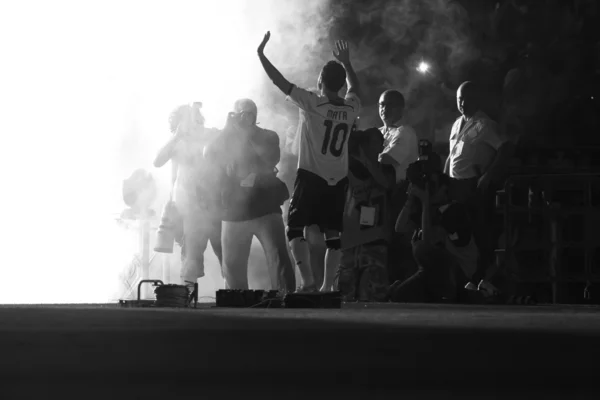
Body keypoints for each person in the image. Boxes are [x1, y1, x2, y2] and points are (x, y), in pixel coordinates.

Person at [257, 31, 362, 292]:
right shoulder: (351, 108)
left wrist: (261, 55)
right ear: (340, 85)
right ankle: (328, 288)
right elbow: (356, 88)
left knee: (294, 228)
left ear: (320, 80)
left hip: (311, 175)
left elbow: (280, 81)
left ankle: (307, 281)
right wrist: (347, 63)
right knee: (333, 234)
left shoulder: (312, 103)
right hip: (338, 180)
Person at [204, 99, 296, 292]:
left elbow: (271, 158)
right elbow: (208, 155)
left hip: (266, 208)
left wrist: (247, 135)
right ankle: (238, 308)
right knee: (232, 271)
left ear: (255, 115)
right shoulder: (224, 138)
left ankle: (286, 300)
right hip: (233, 212)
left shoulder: (268, 136)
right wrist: (228, 129)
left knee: (279, 258)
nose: (245, 117)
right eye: (241, 113)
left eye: (249, 113)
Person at [444, 81, 511, 295]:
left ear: (476, 99)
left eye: (466, 99)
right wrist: (444, 179)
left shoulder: (486, 124)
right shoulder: (456, 124)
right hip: (454, 185)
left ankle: (481, 279)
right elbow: (452, 154)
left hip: (472, 185)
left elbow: (505, 148)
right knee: (459, 235)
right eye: (459, 99)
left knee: (478, 232)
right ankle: (465, 279)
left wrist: (489, 175)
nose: (462, 103)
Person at [153, 102, 222, 291]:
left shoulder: (211, 134)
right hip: (190, 208)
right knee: (191, 258)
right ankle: (189, 301)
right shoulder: (177, 142)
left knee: (226, 255)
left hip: (216, 205)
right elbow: (157, 161)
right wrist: (177, 136)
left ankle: (232, 297)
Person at [389, 158, 478, 303]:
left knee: (423, 250)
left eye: (432, 185)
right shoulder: (428, 211)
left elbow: (427, 244)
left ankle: (460, 295)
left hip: (456, 274)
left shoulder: (454, 211)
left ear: (444, 189)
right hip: (431, 273)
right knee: (399, 295)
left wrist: (425, 202)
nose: (428, 189)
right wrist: (410, 199)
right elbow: (400, 228)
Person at [337, 128, 395, 302]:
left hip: (375, 239)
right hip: (350, 238)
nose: (380, 146)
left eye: (381, 142)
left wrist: (367, 162)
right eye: (375, 142)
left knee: (372, 294)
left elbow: (385, 183)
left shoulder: (387, 169)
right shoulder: (349, 168)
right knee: (346, 293)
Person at [377, 89, 420, 286]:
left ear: (400, 108)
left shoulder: (405, 132)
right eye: (381, 104)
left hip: (400, 196)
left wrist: (369, 156)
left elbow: (386, 159)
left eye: (389, 104)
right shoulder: (379, 132)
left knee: (399, 245)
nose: (384, 109)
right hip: (381, 197)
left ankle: (403, 288)